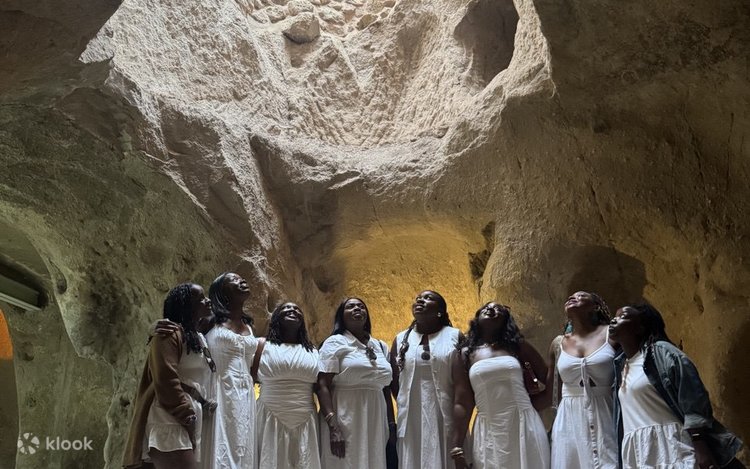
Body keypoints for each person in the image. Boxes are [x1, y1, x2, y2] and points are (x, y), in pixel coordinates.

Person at [610, 303, 744, 469]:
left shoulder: (662, 353)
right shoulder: (620, 366)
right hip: (639, 451)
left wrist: (700, 446)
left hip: (671, 445)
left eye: (622, 317)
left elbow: (693, 397)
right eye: (614, 317)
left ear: (640, 328)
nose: (614, 321)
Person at [152, 272, 258, 469]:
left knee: (242, 445)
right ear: (221, 290)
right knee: (217, 446)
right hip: (219, 389)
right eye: (234, 280)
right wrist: (155, 326)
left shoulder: (249, 326)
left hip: (245, 394)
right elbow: (183, 327)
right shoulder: (210, 320)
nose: (242, 280)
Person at [124, 283, 215, 469]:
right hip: (168, 416)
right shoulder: (169, 333)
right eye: (200, 299)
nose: (207, 301)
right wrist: (186, 415)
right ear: (186, 305)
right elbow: (166, 379)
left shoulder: (197, 336)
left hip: (185, 414)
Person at [450, 302, 549, 469]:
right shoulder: (465, 354)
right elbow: (462, 403)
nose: (491, 309)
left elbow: (549, 378)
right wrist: (457, 446)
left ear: (506, 320)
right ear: (477, 318)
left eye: (498, 309)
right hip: (488, 429)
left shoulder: (517, 346)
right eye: (486, 307)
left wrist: (531, 406)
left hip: (524, 425)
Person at [317, 298, 395, 469]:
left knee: (373, 462)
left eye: (361, 306)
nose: (357, 309)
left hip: (375, 418)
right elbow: (322, 385)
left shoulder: (380, 346)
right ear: (341, 316)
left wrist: (391, 424)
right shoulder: (334, 343)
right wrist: (333, 427)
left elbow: (385, 390)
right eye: (350, 306)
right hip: (344, 416)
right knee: (344, 462)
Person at [546, 291, 619, 469]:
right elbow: (553, 390)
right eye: (570, 297)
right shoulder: (558, 344)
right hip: (569, 419)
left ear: (596, 307)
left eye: (581, 296)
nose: (572, 298)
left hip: (606, 411)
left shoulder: (612, 335)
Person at [389, 290, 461, 469]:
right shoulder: (400, 339)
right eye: (418, 298)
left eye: (428, 298)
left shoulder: (455, 336)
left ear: (440, 311)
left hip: (445, 415)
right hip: (412, 417)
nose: (420, 300)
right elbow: (395, 382)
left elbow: (463, 381)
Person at [255, 302, 321, 469]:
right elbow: (248, 378)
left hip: (306, 417)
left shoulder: (313, 351)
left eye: (297, 309)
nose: (292, 310)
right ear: (275, 317)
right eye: (287, 308)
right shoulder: (261, 346)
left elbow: (320, 386)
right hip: (269, 414)